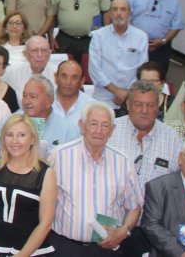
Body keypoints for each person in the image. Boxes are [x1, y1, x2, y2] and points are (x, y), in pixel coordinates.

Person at [48, 102, 142, 257]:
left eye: (105, 126)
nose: (99, 131)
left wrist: (124, 231)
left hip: (105, 250)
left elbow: (134, 207)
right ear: (82, 126)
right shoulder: (58, 156)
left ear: (112, 130)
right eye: (93, 124)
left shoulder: (124, 162)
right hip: (63, 247)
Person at [0, 113, 57, 257]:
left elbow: (45, 224)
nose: (15, 141)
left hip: (30, 252)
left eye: (21, 135)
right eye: (9, 135)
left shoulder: (46, 173)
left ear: (32, 139)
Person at [107, 81, 183, 189]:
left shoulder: (173, 139)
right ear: (128, 105)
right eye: (138, 104)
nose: (144, 110)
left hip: (157, 205)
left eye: (150, 105)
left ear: (157, 107)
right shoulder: (109, 131)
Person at [87, 0, 149, 107]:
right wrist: (116, 91)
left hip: (131, 95)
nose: (119, 13)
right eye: (115, 9)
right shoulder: (98, 36)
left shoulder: (141, 37)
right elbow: (94, 69)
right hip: (103, 95)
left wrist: (126, 93)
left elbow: (142, 69)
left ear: (130, 13)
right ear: (110, 13)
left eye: (123, 9)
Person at [126, 0, 185, 72]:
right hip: (135, 43)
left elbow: (177, 25)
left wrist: (163, 41)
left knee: (157, 77)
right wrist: (138, 37)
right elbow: (126, 18)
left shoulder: (173, 0)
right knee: (133, 74)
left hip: (160, 46)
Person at [13, 75, 81, 154]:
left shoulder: (69, 131)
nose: (27, 101)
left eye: (33, 97)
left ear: (49, 100)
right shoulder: (10, 122)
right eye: (24, 96)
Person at [53, 59, 93, 127]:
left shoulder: (92, 107)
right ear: (56, 78)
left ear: (82, 81)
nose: (68, 82)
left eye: (74, 78)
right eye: (64, 76)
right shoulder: (42, 102)